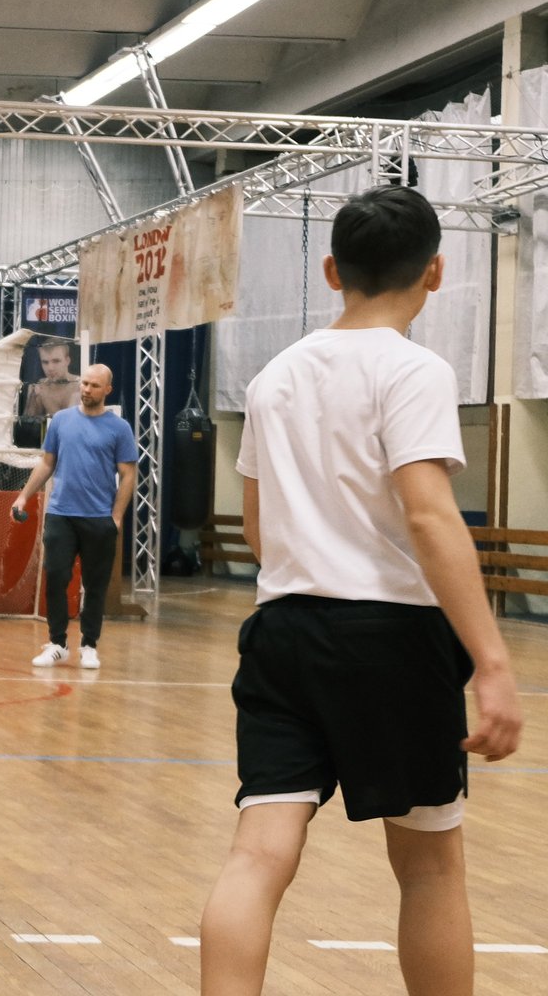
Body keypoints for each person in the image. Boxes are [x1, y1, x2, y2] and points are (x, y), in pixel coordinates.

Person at [198, 186, 523, 994]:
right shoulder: (414, 369)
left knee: (257, 855)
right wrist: (491, 660)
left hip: (282, 633)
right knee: (430, 867)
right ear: (435, 272)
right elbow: (430, 514)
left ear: (331, 269)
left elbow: (260, 526)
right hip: (393, 638)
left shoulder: (273, 377)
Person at [11, 363, 137, 670]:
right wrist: (23, 496)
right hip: (61, 514)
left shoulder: (119, 428)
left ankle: (89, 645)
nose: (87, 389)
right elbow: (46, 463)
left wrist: (116, 517)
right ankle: (57, 643)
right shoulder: (61, 421)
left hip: (99, 518)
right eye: (84, 383)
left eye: (95, 385)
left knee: (95, 585)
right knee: (55, 576)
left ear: (107, 390)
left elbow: (128, 475)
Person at [21, 338, 80, 417]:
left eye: (56, 361)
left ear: (67, 361)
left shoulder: (80, 385)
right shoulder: (39, 387)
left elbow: (69, 422)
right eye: (45, 362)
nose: (50, 368)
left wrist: (46, 399)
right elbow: (28, 422)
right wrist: (32, 398)